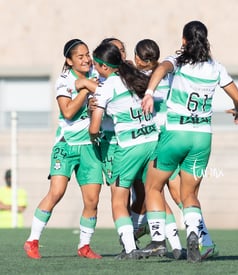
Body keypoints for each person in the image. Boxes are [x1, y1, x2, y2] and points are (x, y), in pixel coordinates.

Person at [139, 20, 238, 263]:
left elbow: (160, 69)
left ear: (184, 40)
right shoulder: (216, 68)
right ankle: (194, 235)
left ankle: (157, 241)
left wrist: (148, 93)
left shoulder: (177, 61)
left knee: (153, 186)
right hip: (202, 138)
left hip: (176, 132)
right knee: (190, 194)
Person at [134, 38, 219, 260]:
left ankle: (161, 240)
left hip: (165, 139)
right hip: (181, 137)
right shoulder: (169, 72)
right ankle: (198, 241)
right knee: (181, 194)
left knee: (162, 190)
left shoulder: (165, 72)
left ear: (139, 59)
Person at [76, 41, 157, 260]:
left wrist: (95, 135)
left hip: (129, 148)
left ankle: (130, 248)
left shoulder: (106, 87)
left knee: (118, 199)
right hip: (153, 142)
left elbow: (94, 127)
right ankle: (167, 240)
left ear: (103, 67)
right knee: (155, 192)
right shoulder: (137, 78)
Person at [24, 39, 103, 260]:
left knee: (92, 200)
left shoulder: (97, 74)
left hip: (90, 146)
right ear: (69, 61)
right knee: (56, 192)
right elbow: (67, 112)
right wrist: (86, 88)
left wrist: (89, 84)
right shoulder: (64, 80)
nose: (87, 59)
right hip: (66, 144)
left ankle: (84, 246)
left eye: (87, 54)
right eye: (80, 56)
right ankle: (32, 240)